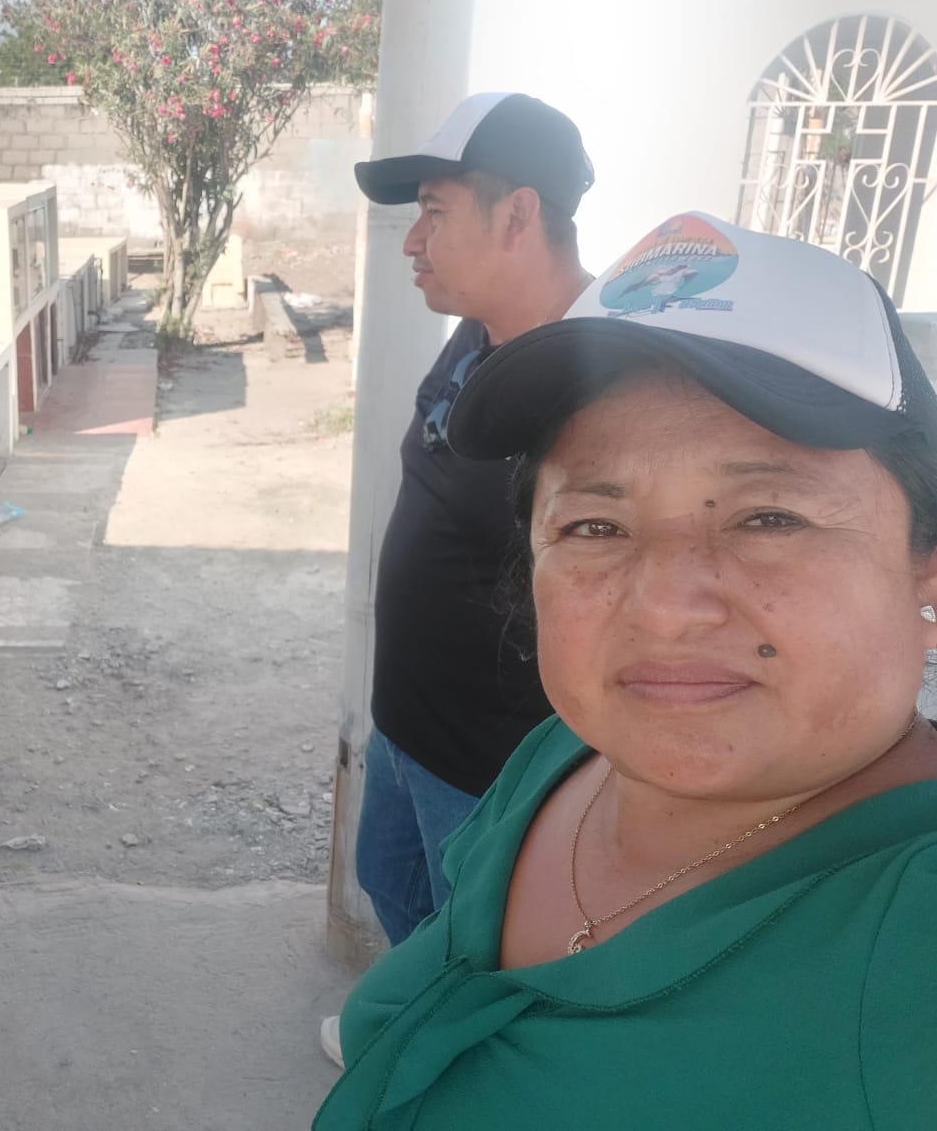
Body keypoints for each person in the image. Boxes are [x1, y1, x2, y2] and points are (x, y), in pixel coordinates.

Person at [316, 214, 937, 1128]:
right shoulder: (562, 757)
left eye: (770, 518)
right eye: (596, 526)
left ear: (925, 567)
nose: (663, 606)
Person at [320, 93, 594, 1066]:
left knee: (484, 947)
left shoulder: (598, 381)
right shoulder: (478, 333)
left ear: (517, 215)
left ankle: (457, 1077)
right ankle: (417, 1031)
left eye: (434, 213)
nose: (412, 241)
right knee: (390, 884)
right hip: (408, 726)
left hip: (492, 760)